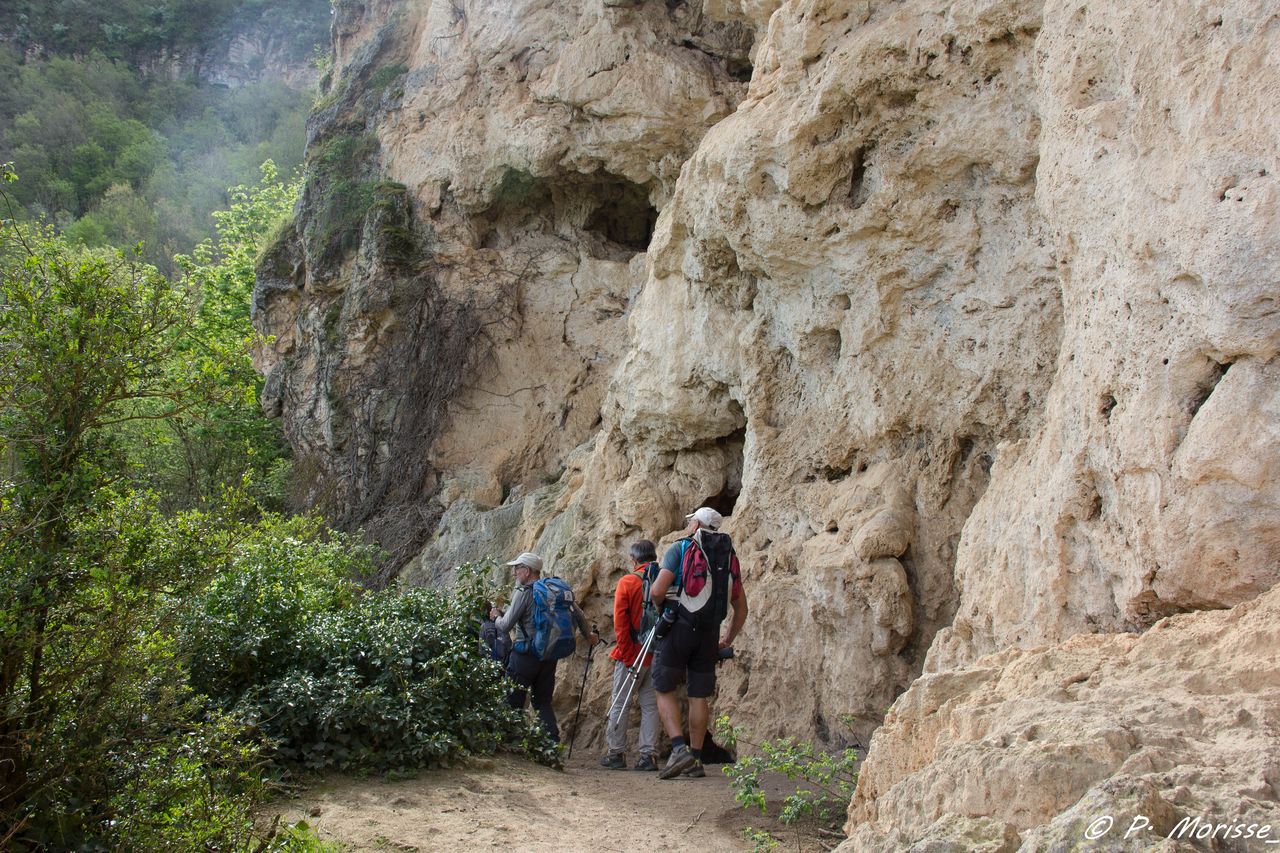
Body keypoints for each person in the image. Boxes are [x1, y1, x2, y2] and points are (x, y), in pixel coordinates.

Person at [649, 507, 748, 780]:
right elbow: (741, 608)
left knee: (663, 687)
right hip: (709, 634)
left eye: (691, 521)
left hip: (678, 627)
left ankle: (678, 749)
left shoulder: (681, 548)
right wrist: (727, 639)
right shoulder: (729, 556)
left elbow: (657, 590)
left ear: (696, 525)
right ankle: (695, 757)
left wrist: (661, 608)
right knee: (698, 695)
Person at [491, 551, 599, 742]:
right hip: (549, 656)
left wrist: (495, 618)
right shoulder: (554, 591)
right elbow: (578, 614)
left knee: (512, 700)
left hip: (524, 657)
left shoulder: (524, 593)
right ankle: (552, 744)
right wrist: (589, 636)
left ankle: (509, 742)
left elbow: (505, 625)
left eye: (517, 569)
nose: (514, 573)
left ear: (527, 570)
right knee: (542, 702)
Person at [600, 540, 662, 771]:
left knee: (620, 703)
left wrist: (626, 655)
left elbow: (620, 623)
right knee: (650, 706)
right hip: (656, 653)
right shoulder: (665, 580)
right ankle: (648, 756)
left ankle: (616, 753)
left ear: (634, 560)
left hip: (633, 654)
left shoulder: (627, 582)